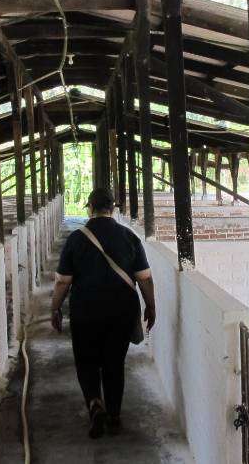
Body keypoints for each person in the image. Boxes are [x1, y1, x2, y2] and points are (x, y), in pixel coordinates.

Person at [50, 188, 157, 439]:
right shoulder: (129, 237)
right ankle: (114, 415)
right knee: (113, 362)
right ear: (112, 208)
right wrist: (151, 306)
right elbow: (145, 278)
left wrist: (55, 308)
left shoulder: (76, 240)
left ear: (90, 208)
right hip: (121, 311)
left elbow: (63, 282)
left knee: (86, 360)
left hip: (85, 310)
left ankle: (95, 404)